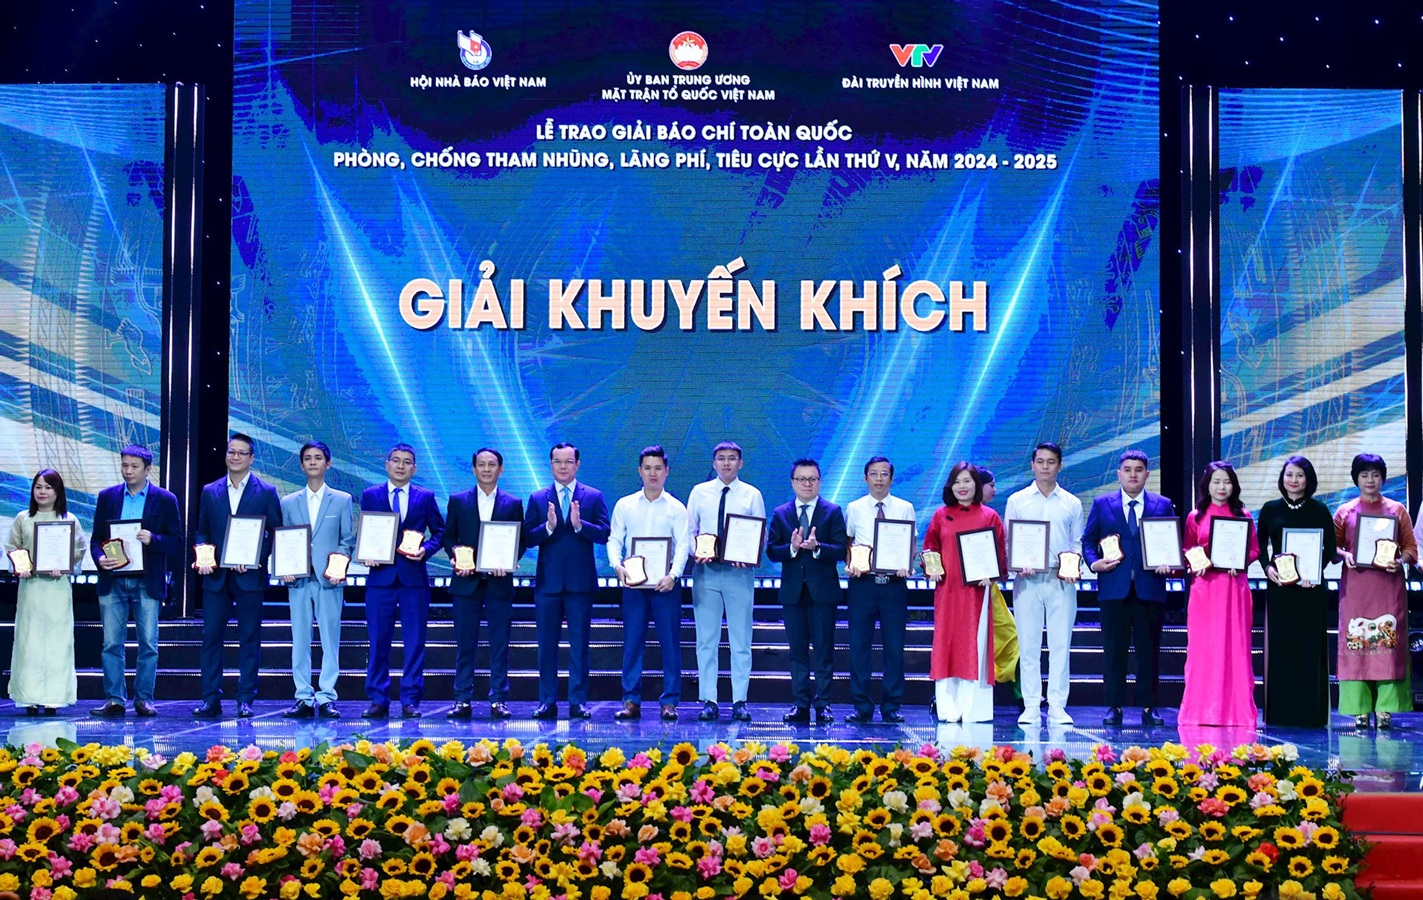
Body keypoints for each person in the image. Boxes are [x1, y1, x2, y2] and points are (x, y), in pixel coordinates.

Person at [1082, 450, 1178, 728]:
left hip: (1150, 588)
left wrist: (1169, 563)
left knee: (1149, 652)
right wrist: (1094, 563)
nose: (1133, 474)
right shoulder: (1102, 503)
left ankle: (1149, 707)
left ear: (1147, 474)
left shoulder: (1162, 504)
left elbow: (1170, 542)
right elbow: (1088, 541)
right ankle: (1114, 706)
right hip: (1114, 588)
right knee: (1114, 651)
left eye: (1138, 469)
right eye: (1127, 469)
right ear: (1119, 474)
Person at [192, 433, 283, 719]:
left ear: (251, 458)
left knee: (249, 638)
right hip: (216, 576)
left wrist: (255, 557)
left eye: (242, 453)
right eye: (231, 452)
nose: (235, 457)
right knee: (211, 637)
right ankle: (210, 699)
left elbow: (275, 533)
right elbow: (202, 531)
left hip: (250, 577)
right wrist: (204, 555)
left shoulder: (266, 492)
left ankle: (245, 699)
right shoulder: (210, 490)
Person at [88, 445, 182, 718]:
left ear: (148, 469)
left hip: (146, 580)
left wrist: (154, 539)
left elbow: (176, 542)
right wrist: (99, 558)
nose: (128, 471)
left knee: (148, 643)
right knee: (111, 644)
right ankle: (114, 699)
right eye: (124, 465)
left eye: (134, 466)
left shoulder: (165, 499)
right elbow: (96, 539)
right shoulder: (107, 497)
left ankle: (144, 699)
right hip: (113, 579)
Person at [522, 442, 610, 719]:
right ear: (551, 465)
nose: (563, 466)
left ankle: (577, 701)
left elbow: (604, 533)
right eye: (557, 462)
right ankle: (547, 701)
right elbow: (527, 538)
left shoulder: (593, 496)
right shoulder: (538, 498)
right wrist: (548, 527)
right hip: (548, 584)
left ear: (577, 465)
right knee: (546, 647)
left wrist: (580, 525)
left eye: (568, 461)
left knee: (579, 646)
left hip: (580, 584)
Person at [359, 443, 445, 719]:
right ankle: (378, 698)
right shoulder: (370, 495)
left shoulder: (425, 496)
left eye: (407, 462)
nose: (400, 465)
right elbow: (365, 530)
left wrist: (426, 550)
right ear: (387, 465)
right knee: (378, 641)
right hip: (379, 579)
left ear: (414, 469)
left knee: (415, 642)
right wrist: (366, 552)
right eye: (395, 460)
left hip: (413, 579)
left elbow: (440, 532)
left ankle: (410, 699)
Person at [607, 445, 690, 722]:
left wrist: (673, 576)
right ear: (639, 471)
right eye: (647, 468)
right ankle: (631, 700)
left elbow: (683, 546)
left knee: (670, 644)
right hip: (634, 586)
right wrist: (617, 566)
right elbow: (614, 539)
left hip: (666, 586)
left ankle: (670, 701)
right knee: (632, 643)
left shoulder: (677, 508)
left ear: (667, 472)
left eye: (658, 468)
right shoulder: (625, 505)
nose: (652, 473)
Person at [1334, 453, 1417, 729]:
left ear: (1383, 478)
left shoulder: (1397, 510)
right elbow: (1332, 548)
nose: (1370, 480)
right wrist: (1343, 555)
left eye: (1375, 475)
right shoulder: (1344, 512)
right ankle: (1359, 708)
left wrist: (1400, 561)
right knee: (1356, 644)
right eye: (1364, 475)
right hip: (1356, 589)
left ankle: (1385, 709)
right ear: (1356, 479)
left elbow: (1411, 549)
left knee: (1387, 645)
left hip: (1388, 588)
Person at [685, 441, 766, 723]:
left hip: (739, 574)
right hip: (706, 573)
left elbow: (759, 533)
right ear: (714, 463)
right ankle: (709, 700)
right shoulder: (699, 492)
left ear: (740, 463)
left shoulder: (752, 494)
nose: (727, 463)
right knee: (706, 639)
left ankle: (739, 700)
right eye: (721, 458)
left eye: (732, 458)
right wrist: (695, 552)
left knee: (741, 639)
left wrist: (749, 554)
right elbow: (689, 531)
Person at [1004, 442, 1084, 726]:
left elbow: (1076, 543)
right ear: (1032, 465)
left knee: (1061, 645)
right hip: (1027, 581)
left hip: (1061, 580)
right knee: (1028, 646)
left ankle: (1058, 706)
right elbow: (1009, 542)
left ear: (1060, 465)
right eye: (1040, 461)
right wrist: (1017, 564)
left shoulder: (1072, 503)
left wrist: (1073, 566)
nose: (1045, 467)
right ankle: (1031, 705)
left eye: (1051, 462)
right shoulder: (1018, 500)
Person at [443, 448, 526, 720]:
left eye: (492, 465)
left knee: (499, 645)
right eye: (481, 464)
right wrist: (456, 557)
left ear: (501, 469)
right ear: (474, 469)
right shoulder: (458, 500)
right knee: (464, 644)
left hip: (499, 584)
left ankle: (498, 699)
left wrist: (509, 560)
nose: (487, 469)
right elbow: (449, 537)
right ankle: (461, 699)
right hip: (465, 583)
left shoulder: (513, 503)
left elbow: (520, 540)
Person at [1256, 455, 1336, 728]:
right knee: (1282, 650)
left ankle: (1310, 714)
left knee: (1309, 650)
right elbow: (1259, 546)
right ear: (1282, 478)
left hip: (1311, 590)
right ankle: (1280, 714)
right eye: (1289, 474)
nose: (1293, 480)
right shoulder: (1270, 509)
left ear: (1308, 479)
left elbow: (1329, 548)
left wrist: (1314, 573)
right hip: (1280, 588)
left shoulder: (1320, 510)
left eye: (1299, 475)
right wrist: (1267, 569)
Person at [767, 458, 847, 725]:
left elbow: (841, 549)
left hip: (823, 593)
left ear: (820, 482)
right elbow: (772, 551)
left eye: (812, 479)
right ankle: (800, 704)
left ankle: (823, 705)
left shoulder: (832, 511)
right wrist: (792, 548)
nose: (807, 484)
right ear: (792, 482)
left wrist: (817, 547)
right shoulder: (781, 513)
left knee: (823, 651)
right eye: (801, 479)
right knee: (797, 652)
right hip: (793, 593)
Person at [923, 462, 1005, 723]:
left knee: (974, 645)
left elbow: (1000, 556)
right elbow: (930, 547)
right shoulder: (941, 515)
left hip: (976, 595)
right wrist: (931, 567)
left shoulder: (990, 516)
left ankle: (974, 711)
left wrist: (992, 572)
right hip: (947, 593)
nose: (962, 486)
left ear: (976, 484)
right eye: (957, 481)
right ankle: (949, 709)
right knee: (947, 646)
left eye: (967, 481)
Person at [1179, 461, 1259, 727]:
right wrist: (1196, 562)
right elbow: (1188, 549)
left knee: (1235, 647)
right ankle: (1200, 712)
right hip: (1205, 589)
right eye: (1216, 481)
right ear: (1207, 485)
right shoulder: (1195, 516)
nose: (1222, 487)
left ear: (1234, 485)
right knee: (1204, 648)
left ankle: (1235, 713)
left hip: (1234, 589)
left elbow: (1255, 549)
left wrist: (1241, 560)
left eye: (1227, 482)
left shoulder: (1243, 515)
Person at [279, 441, 355, 720]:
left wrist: (338, 566)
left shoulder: (342, 499)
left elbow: (347, 540)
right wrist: (284, 567)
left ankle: (326, 696)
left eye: (318, 457)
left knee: (329, 639)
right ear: (302, 465)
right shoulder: (289, 502)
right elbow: (284, 538)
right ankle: (302, 695)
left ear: (328, 463)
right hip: (298, 580)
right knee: (300, 639)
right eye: (308, 458)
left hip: (329, 580)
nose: (313, 462)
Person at [6, 469, 87, 714]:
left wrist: (65, 565)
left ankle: (55, 697)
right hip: (31, 588)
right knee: (28, 641)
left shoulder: (69, 519)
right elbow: (12, 546)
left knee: (57, 641)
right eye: (38, 487)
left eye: (48, 487)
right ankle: (28, 697)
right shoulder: (22, 518)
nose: (42, 492)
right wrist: (22, 566)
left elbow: (80, 549)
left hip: (57, 588)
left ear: (58, 491)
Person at [844, 456, 916, 724]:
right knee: (859, 648)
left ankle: (892, 706)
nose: (878, 478)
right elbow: (849, 543)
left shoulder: (905, 508)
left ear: (892, 478)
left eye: (884, 474)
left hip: (894, 586)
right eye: (873, 474)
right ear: (865, 478)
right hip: (862, 585)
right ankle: (862, 706)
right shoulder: (854, 508)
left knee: (894, 648)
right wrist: (851, 564)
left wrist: (906, 564)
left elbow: (911, 544)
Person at [978, 470, 1019, 688]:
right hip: (960, 592)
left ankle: (1021, 693)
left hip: (989, 588)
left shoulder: (991, 516)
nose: (995, 489)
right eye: (991, 485)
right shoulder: (948, 514)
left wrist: (1003, 571)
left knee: (1010, 635)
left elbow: (1000, 550)